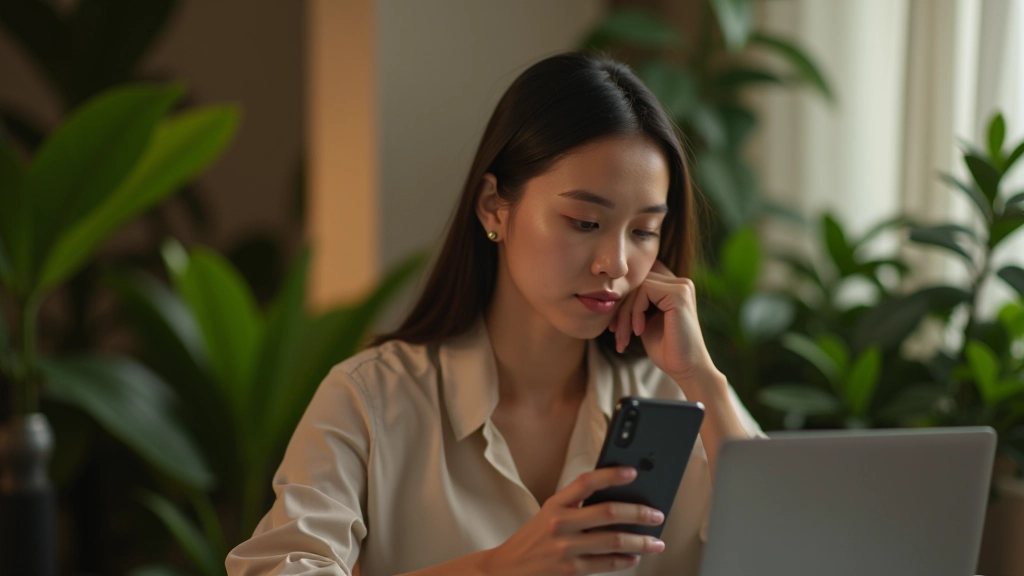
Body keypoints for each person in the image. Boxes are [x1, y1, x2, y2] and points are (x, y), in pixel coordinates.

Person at [225, 51, 765, 576]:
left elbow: (798, 547)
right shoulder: (372, 400)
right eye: (584, 221)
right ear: (493, 207)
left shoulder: (679, 401)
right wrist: (495, 568)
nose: (616, 263)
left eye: (644, 231)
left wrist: (705, 381)